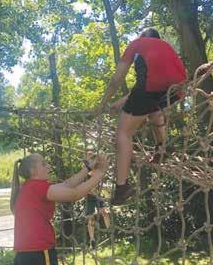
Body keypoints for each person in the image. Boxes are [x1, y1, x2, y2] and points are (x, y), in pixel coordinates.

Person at [95, 28, 187, 205]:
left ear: (143, 37)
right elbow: (146, 86)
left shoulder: (137, 44)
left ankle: (122, 187)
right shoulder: (166, 48)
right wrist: (120, 103)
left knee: (123, 133)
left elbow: (118, 79)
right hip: (176, 90)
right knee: (153, 109)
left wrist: (102, 104)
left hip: (151, 89)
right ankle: (162, 147)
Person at [10, 152, 109, 265]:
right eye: (43, 164)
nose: (49, 165)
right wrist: (100, 173)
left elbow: (67, 184)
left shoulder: (29, 186)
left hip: (26, 254)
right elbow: (74, 194)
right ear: (33, 171)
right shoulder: (37, 187)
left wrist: (88, 168)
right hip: (39, 252)